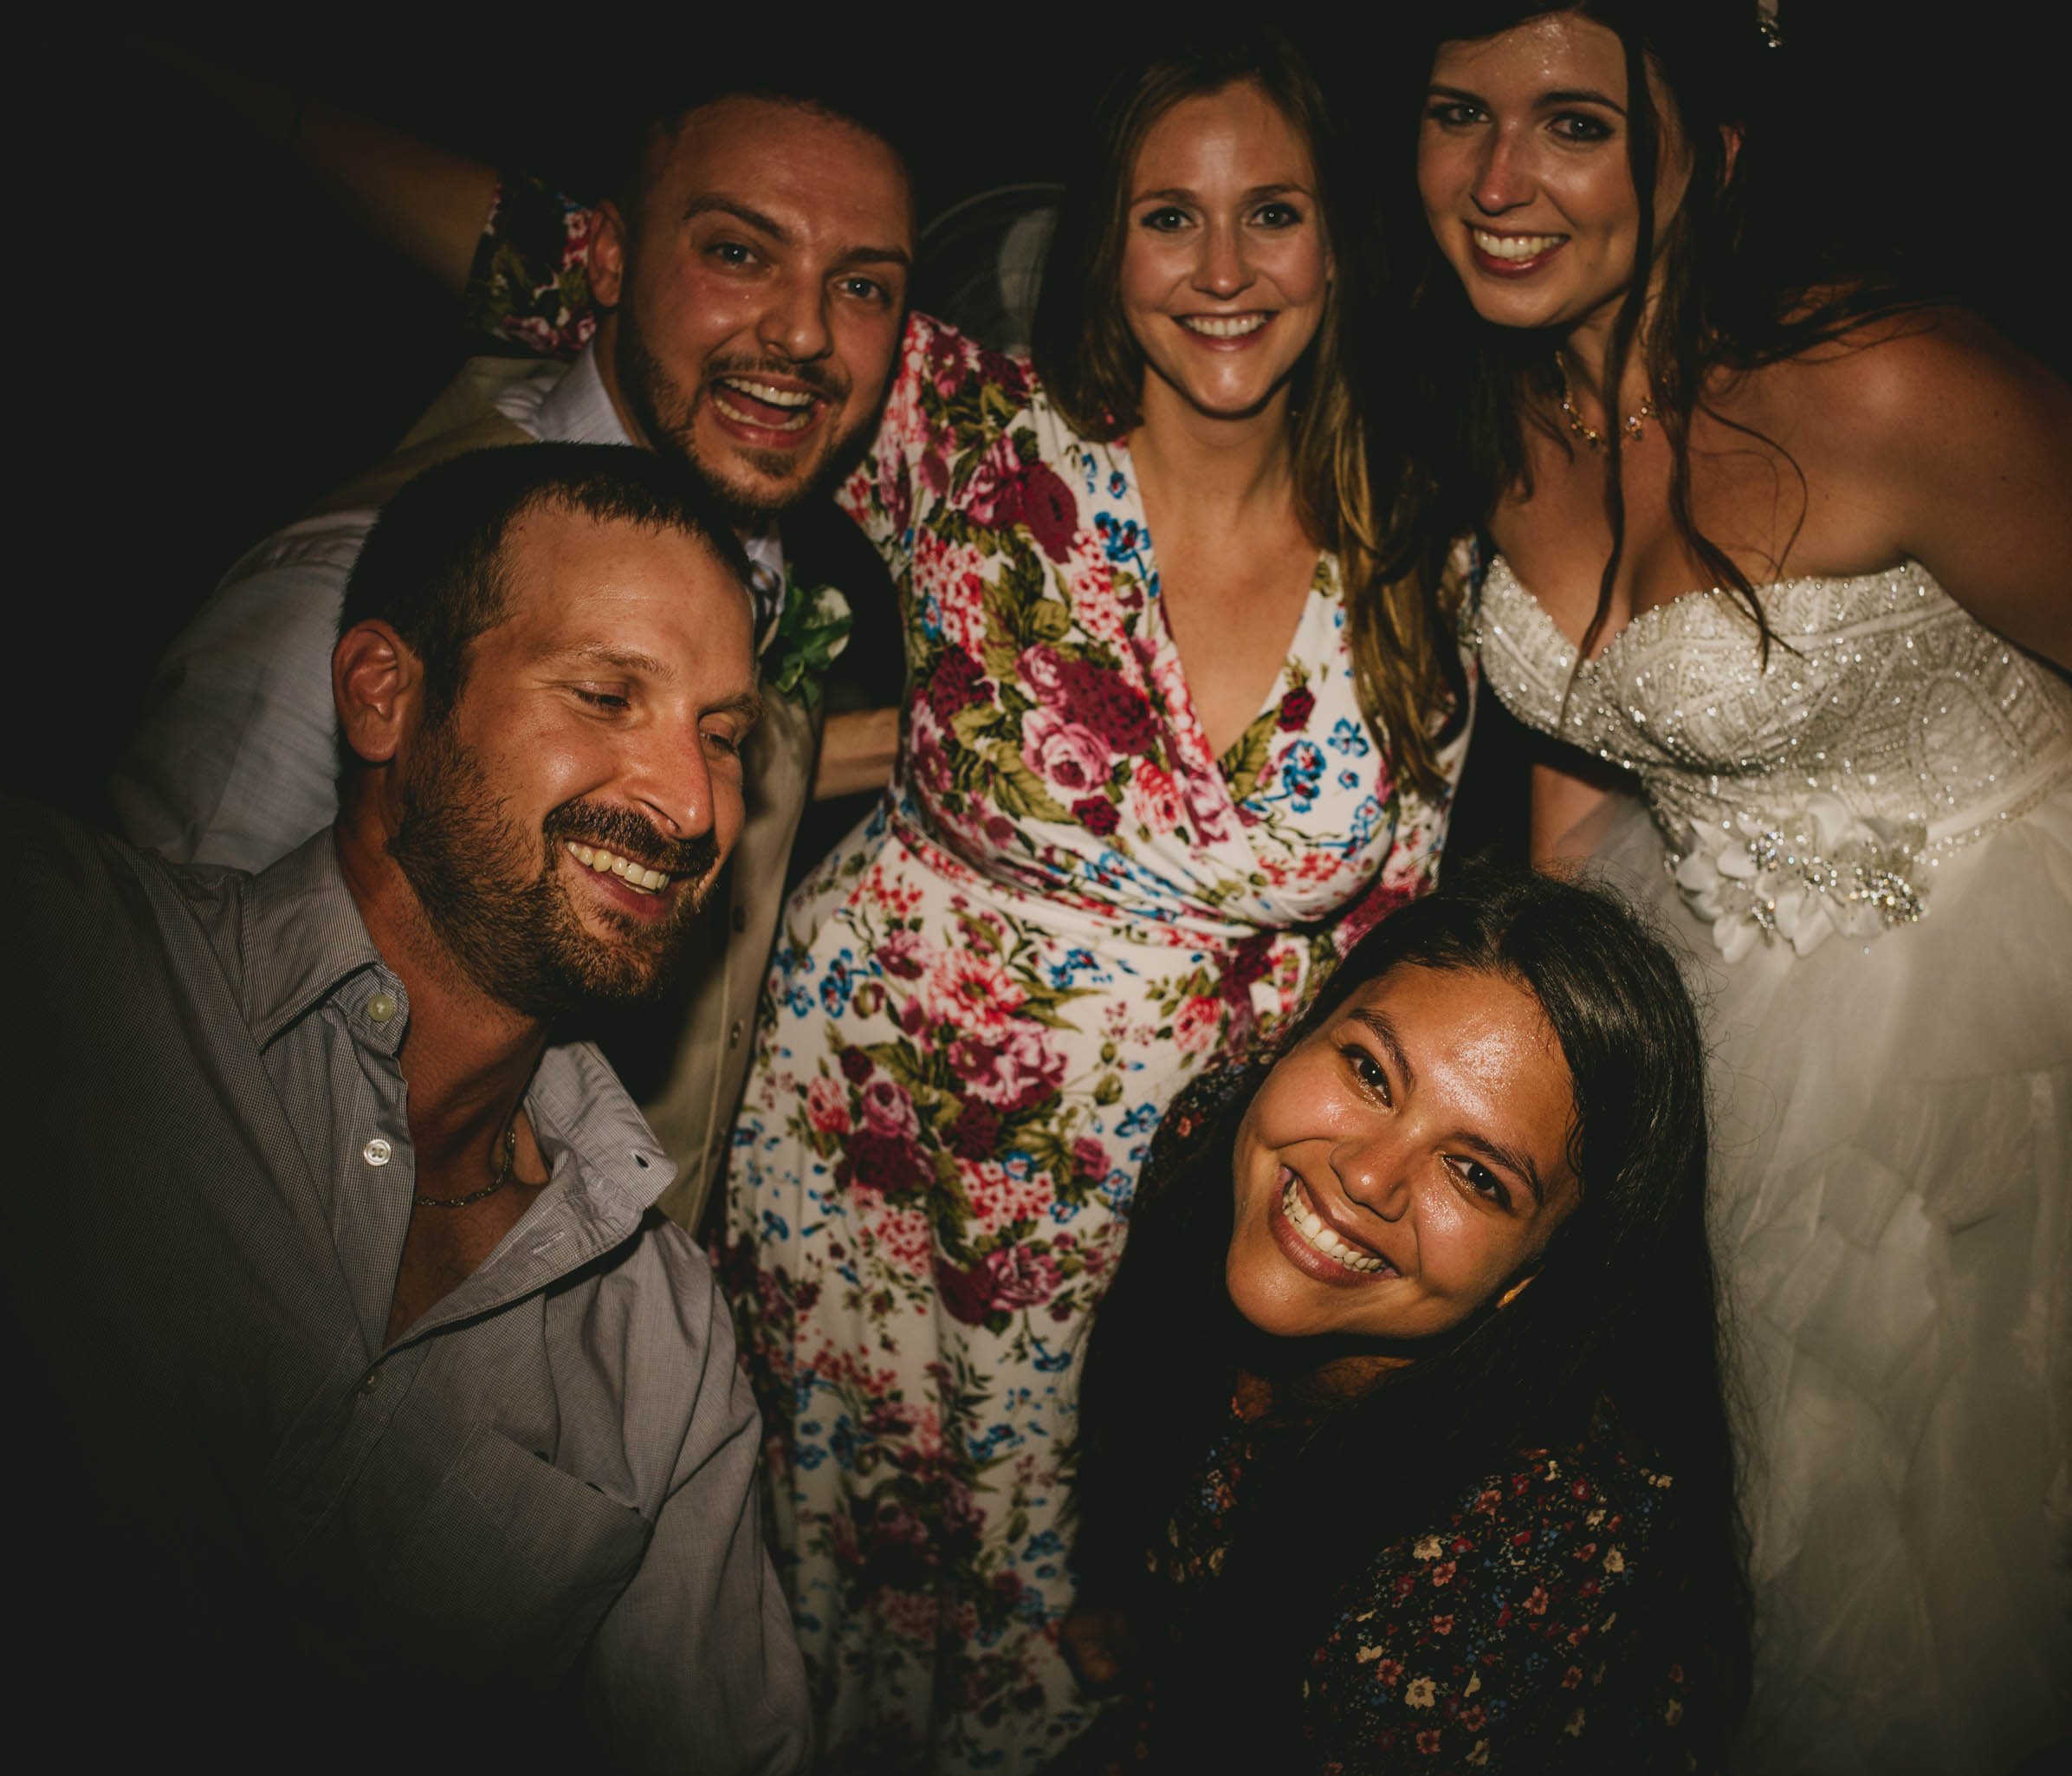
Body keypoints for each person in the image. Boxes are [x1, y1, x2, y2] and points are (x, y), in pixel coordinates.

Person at [183, 34, 1474, 1766]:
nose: (1223, 270)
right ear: (1106, 243)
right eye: (1172, 215)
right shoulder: (973, 433)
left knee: (1069, 1674)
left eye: (1272, 215)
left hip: (1167, 1240)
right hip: (870, 1163)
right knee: (782, 1639)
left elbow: (1391, 953)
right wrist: (223, 82)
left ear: (1338, 245)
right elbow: (570, 251)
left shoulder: (1415, 546)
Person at [1388, 4, 2072, 1769]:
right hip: (1723, 1000)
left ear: (1713, 151)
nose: (1495, 180)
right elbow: (1578, 732)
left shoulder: (1889, 387)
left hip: (2005, 1031)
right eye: (1457, 114)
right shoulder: (1500, 394)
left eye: (1572, 126)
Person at [1, 444, 808, 1773]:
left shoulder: (663, 1344)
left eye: (722, 736)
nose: (690, 804)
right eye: (608, 693)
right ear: (385, 694)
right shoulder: (64, 978)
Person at [109, 75, 913, 1233]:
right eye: (740, 252)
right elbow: (153, 1050)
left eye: (860, 286)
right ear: (606, 259)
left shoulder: (747, 541)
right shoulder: (347, 595)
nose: (801, 331)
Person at [1056, 867, 1749, 1773]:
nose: (1367, 1175)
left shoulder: (1499, 1574)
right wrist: (1122, 1589)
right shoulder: (1211, 1142)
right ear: (1303, 1030)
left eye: (1477, 1176)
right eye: (1369, 1071)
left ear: (1533, 1277)